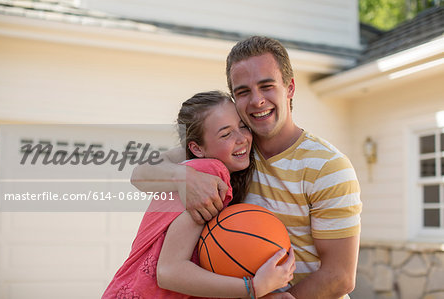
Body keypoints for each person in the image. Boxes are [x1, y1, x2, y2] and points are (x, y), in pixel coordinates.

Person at [131, 36, 362, 299]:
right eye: (243, 92)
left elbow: (339, 276)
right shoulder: (232, 154)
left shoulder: (328, 166)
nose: (257, 100)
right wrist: (183, 176)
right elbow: (141, 174)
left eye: (266, 86)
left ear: (290, 88)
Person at [103, 91, 296, 299]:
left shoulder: (198, 165)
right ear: (196, 148)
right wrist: (253, 287)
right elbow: (169, 272)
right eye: (225, 134)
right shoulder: (209, 171)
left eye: (242, 126)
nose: (241, 139)